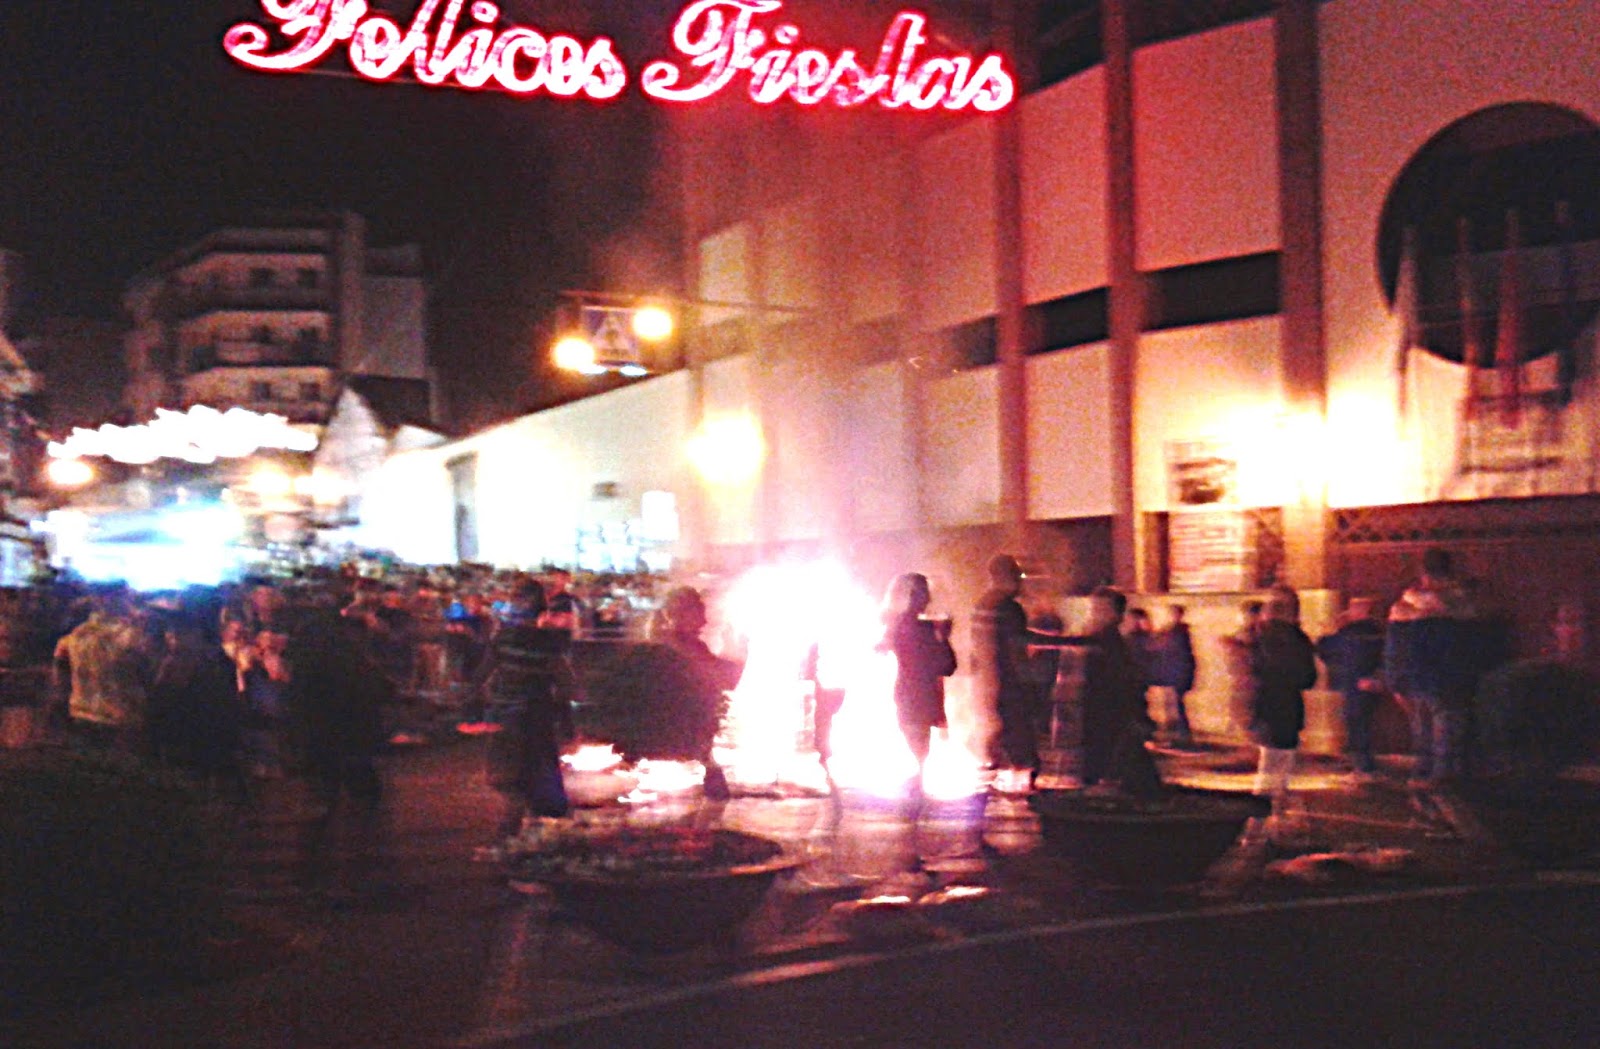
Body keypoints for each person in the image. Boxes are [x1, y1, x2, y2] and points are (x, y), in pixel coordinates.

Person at [286, 609, 393, 897]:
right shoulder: (346, 658)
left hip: (318, 744)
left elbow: (294, 705)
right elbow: (375, 690)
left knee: (320, 807)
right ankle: (353, 872)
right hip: (349, 742)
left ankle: (309, 875)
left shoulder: (303, 661)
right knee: (361, 803)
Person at [479, 581, 577, 854]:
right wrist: (568, 716)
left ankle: (510, 838)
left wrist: (478, 699)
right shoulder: (549, 643)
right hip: (536, 718)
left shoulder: (503, 639)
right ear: (542, 612)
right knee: (540, 778)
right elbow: (567, 684)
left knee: (508, 778)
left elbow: (482, 674)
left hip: (506, 716)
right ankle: (543, 840)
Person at [1385, 548, 1484, 787]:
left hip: (1418, 676)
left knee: (1423, 728)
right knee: (1448, 727)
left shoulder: (1405, 608)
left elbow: (1396, 649)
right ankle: (1444, 774)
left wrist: (1395, 679)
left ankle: (1425, 772)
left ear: (1423, 575)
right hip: (1453, 676)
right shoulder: (1465, 606)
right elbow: (1473, 645)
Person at [645, 585, 741, 801]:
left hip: (684, 733)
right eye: (699, 614)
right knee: (711, 785)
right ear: (683, 614)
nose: (704, 622)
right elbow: (724, 679)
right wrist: (736, 648)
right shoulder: (683, 647)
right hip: (685, 730)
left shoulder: (664, 643)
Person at [878, 573, 957, 798]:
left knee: (917, 739)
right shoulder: (923, 630)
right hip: (922, 693)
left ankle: (917, 783)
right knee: (919, 741)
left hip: (908, 692)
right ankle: (917, 783)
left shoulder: (899, 626)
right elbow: (946, 665)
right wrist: (943, 638)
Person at [52, 590, 154, 755]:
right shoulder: (133, 636)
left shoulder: (71, 638)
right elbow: (149, 676)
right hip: (122, 723)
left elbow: (59, 682)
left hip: (81, 717)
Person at [970, 554, 1045, 779]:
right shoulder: (1009, 608)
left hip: (984, 682)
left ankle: (997, 775)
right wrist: (1063, 642)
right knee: (1019, 735)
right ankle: (1024, 782)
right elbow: (1018, 642)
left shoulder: (983, 604)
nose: (1020, 580)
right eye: (1016, 574)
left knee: (997, 734)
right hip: (1008, 682)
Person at [1077, 586, 1156, 792]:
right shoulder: (1103, 640)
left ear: (1116, 615)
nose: (1095, 614)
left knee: (1110, 756)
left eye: (1101, 610)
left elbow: (1124, 682)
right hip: (1103, 712)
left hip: (1108, 712)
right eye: (1094, 609)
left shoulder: (1109, 643)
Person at [1251, 586, 1319, 822]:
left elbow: (1252, 673)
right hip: (1290, 706)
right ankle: (1275, 815)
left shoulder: (1259, 637)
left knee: (1267, 764)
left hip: (1265, 704)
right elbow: (1308, 679)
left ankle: (1258, 820)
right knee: (1282, 764)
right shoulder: (1299, 640)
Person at [1316, 596, 1386, 779]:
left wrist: (1333, 627)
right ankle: (1362, 766)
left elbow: (1325, 649)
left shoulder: (1352, 634)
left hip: (1355, 684)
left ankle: (1364, 768)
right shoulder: (1378, 632)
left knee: (1357, 726)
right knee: (1361, 725)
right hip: (1367, 684)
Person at [1147, 604, 1198, 748]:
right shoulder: (1175, 631)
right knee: (1173, 706)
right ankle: (1179, 736)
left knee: (1175, 706)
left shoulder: (1176, 633)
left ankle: (1179, 736)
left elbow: (1171, 651)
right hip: (1173, 674)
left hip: (1175, 674)